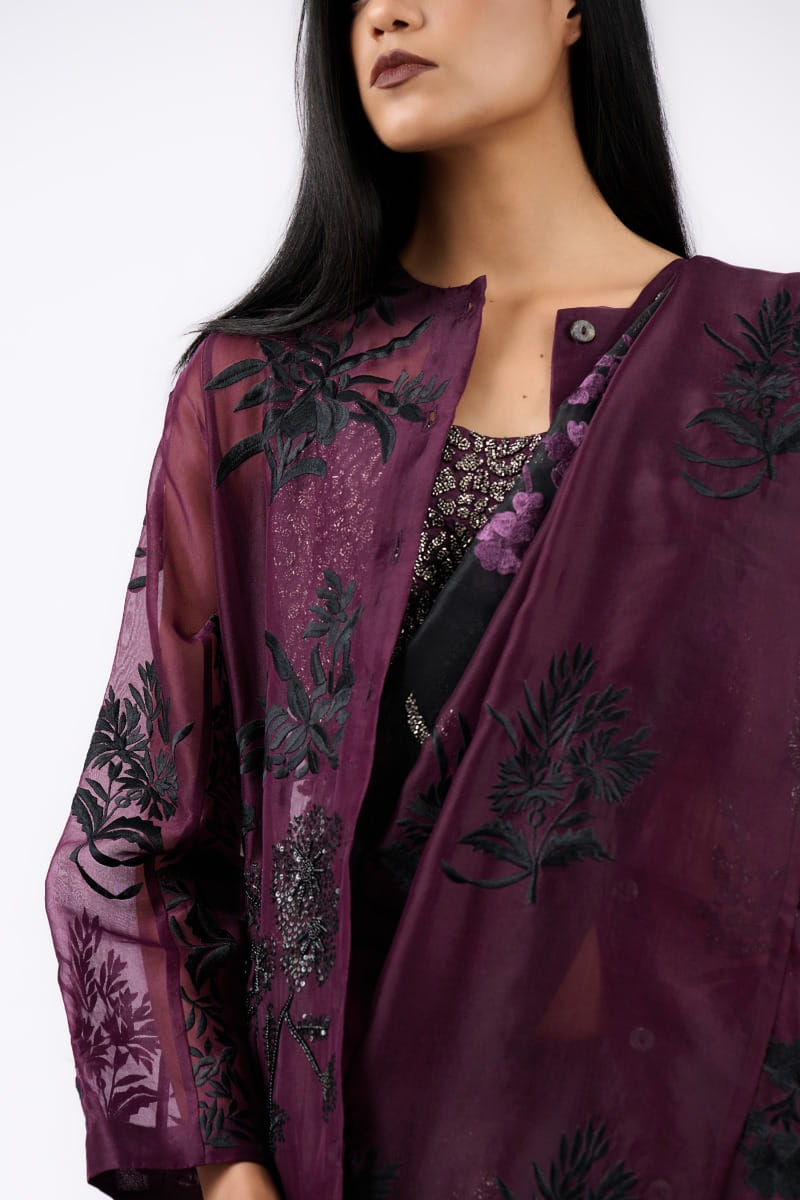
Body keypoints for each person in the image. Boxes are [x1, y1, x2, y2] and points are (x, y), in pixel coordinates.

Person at [45, 0, 800, 1198]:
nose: (383, 13)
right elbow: (131, 841)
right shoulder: (261, 398)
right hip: (339, 1158)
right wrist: (231, 1179)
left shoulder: (765, 370)